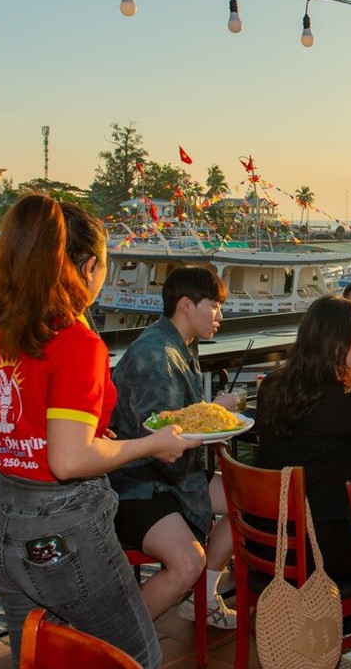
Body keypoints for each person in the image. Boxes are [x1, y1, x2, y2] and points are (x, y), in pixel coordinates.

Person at [0, 194, 197, 668]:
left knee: (33, 657)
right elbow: (68, 461)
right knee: (132, 657)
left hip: (5, 514)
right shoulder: (77, 341)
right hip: (62, 526)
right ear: (89, 266)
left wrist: (60, 438)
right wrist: (153, 443)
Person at [108, 266, 238, 629]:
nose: (220, 316)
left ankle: (205, 595)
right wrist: (216, 412)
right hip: (139, 482)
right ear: (185, 305)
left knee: (249, 503)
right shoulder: (156, 353)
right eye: (214, 306)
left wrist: (212, 419)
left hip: (175, 475)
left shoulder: (179, 345)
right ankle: (116, 642)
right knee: (186, 562)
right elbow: (160, 426)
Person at [254, 295, 351, 583]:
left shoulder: (273, 386)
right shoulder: (350, 407)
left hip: (266, 540)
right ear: (339, 346)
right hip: (316, 552)